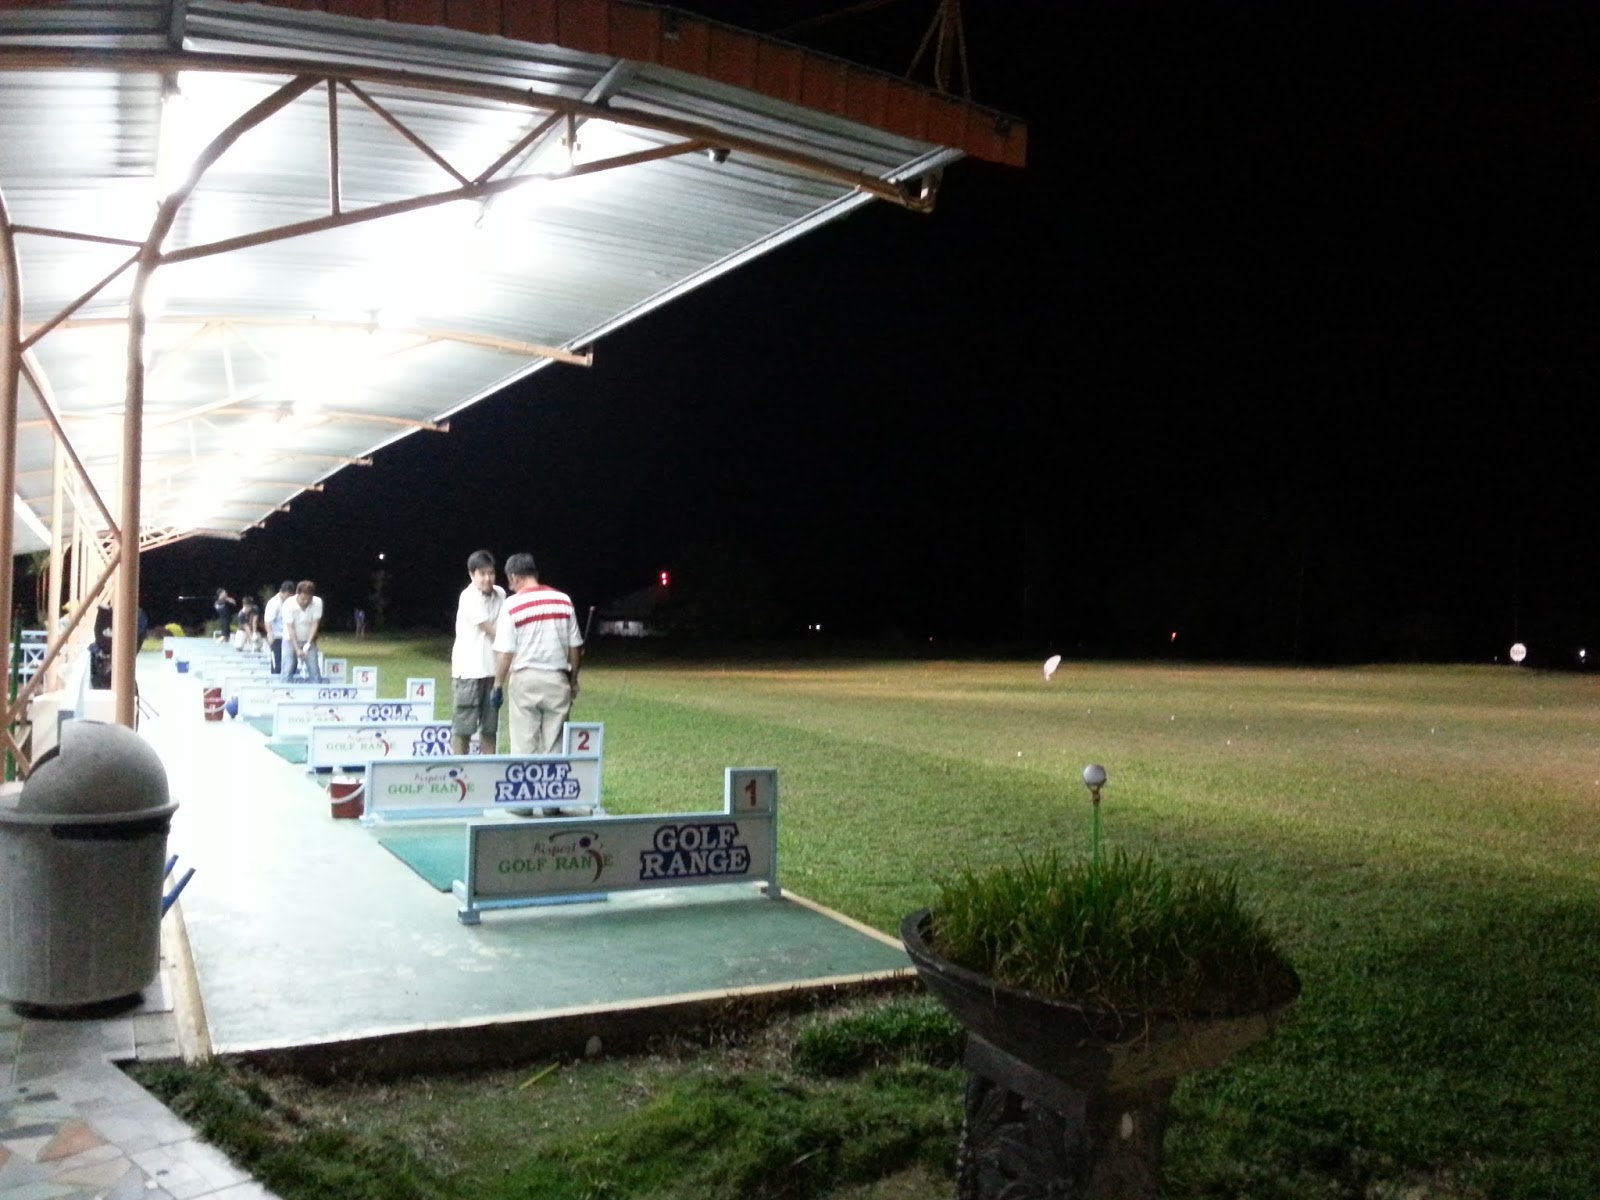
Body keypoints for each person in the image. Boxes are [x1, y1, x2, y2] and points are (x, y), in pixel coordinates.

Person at [492, 552, 583, 755]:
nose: (510, 587)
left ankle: (527, 784)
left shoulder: (512, 605)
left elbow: (506, 653)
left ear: (515, 577)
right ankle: (553, 785)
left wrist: (497, 684)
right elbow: (575, 647)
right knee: (556, 748)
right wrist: (573, 680)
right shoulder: (563, 601)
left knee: (524, 748)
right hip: (557, 679)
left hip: (525, 680)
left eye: (510, 581)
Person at [450, 550, 504, 755]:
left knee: (490, 728)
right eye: (482, 574)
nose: (487, 578)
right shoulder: (468, 596)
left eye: (491, 573)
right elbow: (491, 630)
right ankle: (459, 769)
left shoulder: (501, 594)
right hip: (468, 671)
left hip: (493, 672)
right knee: (463, 727)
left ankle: (489, 771)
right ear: (472, 575)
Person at [279, 579, 323, 682]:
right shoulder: (288, 604)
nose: (306, 601)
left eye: (309, 599)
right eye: (303, 598)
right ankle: (285, 691)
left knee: (314, 669)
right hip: (290, 640)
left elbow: (314, 624)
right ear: (297, 594)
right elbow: (291, 628)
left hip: (308, 639)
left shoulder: (317, 602)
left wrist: (308, 643)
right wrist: (297, 649)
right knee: (288, 667)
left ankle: (316, 691)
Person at [263, 580, 294, 673]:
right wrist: (270, 635)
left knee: (289, 663)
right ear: (283, 592)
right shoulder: (273, 603)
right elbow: (268, 621)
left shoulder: (289, 602)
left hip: (287, 637)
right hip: (276, 637)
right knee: (277, 663)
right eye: (288, 595)